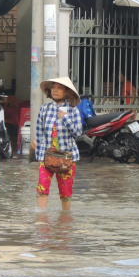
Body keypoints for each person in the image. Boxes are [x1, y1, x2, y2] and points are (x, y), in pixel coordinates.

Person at [35, 77, 82, 211]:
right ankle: (41, 219)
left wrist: (65, 118)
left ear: (67, 92)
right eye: (53, 87)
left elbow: (78, 133)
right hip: (46, 157)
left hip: (67, 158)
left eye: (59, 88)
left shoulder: (73, 110)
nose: (55, 90)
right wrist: (39, 157)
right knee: (42, 189)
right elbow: (39, 135)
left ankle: (65, 219)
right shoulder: (44, 109)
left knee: (66, 193)